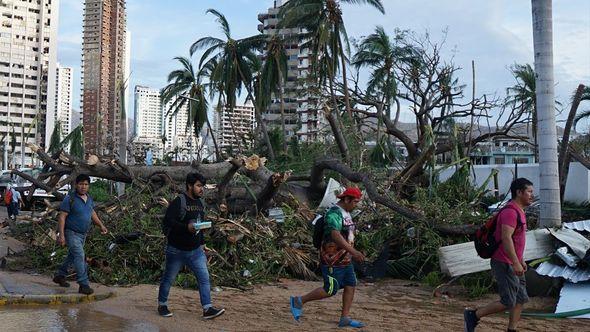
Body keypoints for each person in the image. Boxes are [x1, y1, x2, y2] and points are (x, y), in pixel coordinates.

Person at [289, 187, 366, 328]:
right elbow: (335, 235)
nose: (356, 205)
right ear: (346, 199)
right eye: (355, 201)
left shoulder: (346, 213)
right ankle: (299, 301)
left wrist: (351, 252)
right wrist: (354, 251)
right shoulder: (334, 214)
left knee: (350, 284)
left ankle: (344, 318)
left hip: (345, 259)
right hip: (332, 259)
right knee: (330, 289)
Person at [464, 178, 534, 332]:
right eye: (529, 192)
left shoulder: (519, 211)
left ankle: (512, 329)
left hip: (514, 261)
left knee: (520, 298)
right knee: (508, 301)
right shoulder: (510, 212)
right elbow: (506, 238)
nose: (531, 195)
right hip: (504, 262)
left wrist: (521, 260)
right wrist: (515, 262)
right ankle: (474, 315)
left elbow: (517, 240)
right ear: (519, 192)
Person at [157, 172, 225, 319]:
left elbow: (198, 226)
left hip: (195, 251)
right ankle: (162, 305)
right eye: (199, 186)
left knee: (204, 278)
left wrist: (202, 243)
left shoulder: (201, 203)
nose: (202, 189)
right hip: (176, 250)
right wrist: (185, 228)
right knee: (168, 278)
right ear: (189, 185)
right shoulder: (179, 202)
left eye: (203, 186)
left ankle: (207, 309)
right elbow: (168, 221)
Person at [53, 174, 109, 295]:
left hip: (82, 235)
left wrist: (101, 225)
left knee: (72, 256)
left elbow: (92, 212)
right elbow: (62, 217)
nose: (83, 187)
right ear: (76, 185)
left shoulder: (89, 198)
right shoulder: (70, 199)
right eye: (81, 184)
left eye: (86, 184)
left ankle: (60, 275)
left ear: (88, 186)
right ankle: (83, 284)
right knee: (79, 255)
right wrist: (61, 235)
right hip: (71, 233)